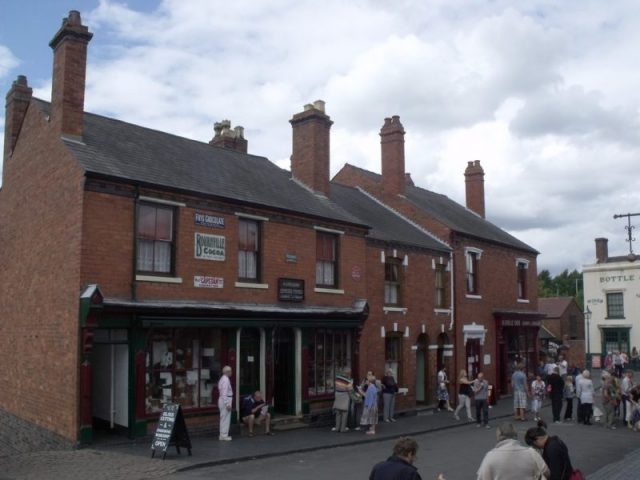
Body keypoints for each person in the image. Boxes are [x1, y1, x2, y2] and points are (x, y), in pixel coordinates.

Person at [476, 422, 549, 480]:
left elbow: (482, 477)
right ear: (515, 435)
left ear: (499, 436)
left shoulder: (490, 457)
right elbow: (546, 472)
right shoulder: (531, 453)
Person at [332, 368, 353, 433]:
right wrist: (353, 396)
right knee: (344, 413)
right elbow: (350, 390)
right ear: (349, 373)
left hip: (338, 395)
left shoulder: (337, 378)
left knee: (338, 413)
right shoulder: (349, 380)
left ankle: (337, 428)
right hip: (345, 396)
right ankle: (342, 428)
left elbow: (334, 385)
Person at [217, 365, 233, 441]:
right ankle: (224, 435)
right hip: (225, 399)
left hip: (223, 399)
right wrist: (227, 403)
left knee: (223, 418)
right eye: (230, 371)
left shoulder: (223, 379)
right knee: (225, 418)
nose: (231, 372)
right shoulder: (226, 380)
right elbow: (224, 392)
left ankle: (222, 434)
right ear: (227, 372)